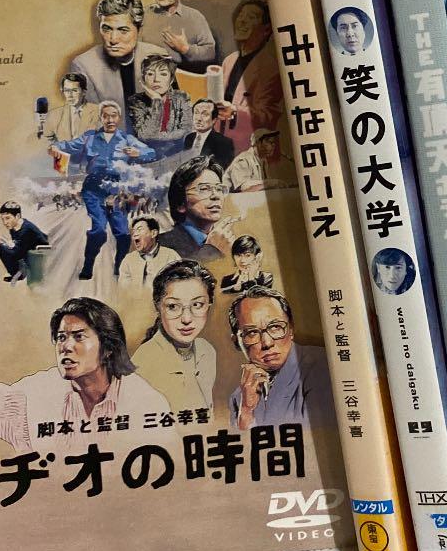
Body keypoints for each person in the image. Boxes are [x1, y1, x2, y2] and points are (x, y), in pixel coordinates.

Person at [0, 297, 171, 455]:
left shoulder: (146, 403)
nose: (66, 346)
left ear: (108, 347)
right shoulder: (43, 390)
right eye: (61, 337)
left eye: (78, 337)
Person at [50, 100, 156, 279]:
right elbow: (67, 145)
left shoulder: (127, 139)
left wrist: (138, 153)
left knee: (123, 234)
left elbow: (151, 152)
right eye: (106, 116)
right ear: (101, 118)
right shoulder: (90, 137)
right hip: (94, 188)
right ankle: (88, 265)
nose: (110, 120)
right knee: (99, 230)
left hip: (117, 191)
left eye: (113, 116)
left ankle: (119, 267)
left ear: (119, 117)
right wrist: (54, 147)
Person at [227, 286, 334, 430]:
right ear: (236, 341)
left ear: (291, 329)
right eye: (252, 333)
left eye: (275, 327)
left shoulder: (323, 365)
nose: (267, 343)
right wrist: (246, 411)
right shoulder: (239, 398)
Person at [130, 260, 218, 412]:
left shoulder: (207, 351)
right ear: (158, 307)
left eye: (197, 305)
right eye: (173, 306)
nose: (186, 319)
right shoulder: (142, 363)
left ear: (209, 304)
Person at [68, 0, 168, 119]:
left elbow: (173, 115)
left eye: (123, 30)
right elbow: (91, 121)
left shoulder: (159, 56)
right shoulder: (83, 65)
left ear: (139, 29)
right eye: (107, 29)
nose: (113, 39)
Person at [215, 0, 282, 154]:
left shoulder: (270, 67)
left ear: (266, 30)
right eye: (241, 15)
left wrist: (235, 112)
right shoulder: (230, 60)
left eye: (251, 17)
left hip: (245, 146)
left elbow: (268, 116)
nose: (242, 21)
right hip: (219, 139)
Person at [158, 156, 238, 263]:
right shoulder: (160, 246)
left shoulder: (228, 242)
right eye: (204, 189)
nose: (216, 196)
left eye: (219, 189)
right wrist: (211, 250)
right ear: (181, 204)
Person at [139, 0, 217, 72]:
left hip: (183, 77)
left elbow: (210, 53)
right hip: (147, 75)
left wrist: (185, 49)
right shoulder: (143, 15)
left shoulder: (194, 17)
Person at [126, 53, 193, 157]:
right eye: (150, 74)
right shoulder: (135, 101)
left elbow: (187, 131)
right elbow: (145, 136)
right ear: (143, 79)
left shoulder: (181, 97)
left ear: (171, 79)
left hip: (177, 153)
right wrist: (156, 100)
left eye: (163, 74)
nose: (156, 79)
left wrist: (158, 136)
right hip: (146, 154)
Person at [0, 201, 48, 283]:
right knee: (3, 248)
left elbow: (17, 251)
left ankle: (18, 273)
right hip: (28, 251)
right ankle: (17, 273)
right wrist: (1, 239)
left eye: (8, 218)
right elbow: (16, 244)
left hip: (40, 253)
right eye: (3, 219)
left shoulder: (26, 229)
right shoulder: (15, 227)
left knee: (3, 248)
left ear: (17, 216)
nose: (5, 222)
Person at [226, 127, 297, 192]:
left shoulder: (263, 161)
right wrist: (271, 183)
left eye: (273, 142)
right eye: (269, 141)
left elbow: (264, 186)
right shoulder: (244, 160)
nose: (273, 145)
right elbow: (245, 189)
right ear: (258, 143)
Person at [117, 217, 179, 290]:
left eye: (139, 229)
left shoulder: (171, 256)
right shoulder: (128, 260)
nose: (135, 234)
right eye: (133, 231)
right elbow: (123, 288)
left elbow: (179, 285)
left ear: (153, 233)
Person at [45, 72, 101, 143]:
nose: (70, 95)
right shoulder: (54, 115)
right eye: (67, 90)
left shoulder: (99, 112)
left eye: (74, 90)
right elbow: (46, 141)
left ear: (84, 92)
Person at [182, 98, 235, 170]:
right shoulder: (189, 138)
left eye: (205, 114)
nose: (199, 119)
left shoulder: (224, 142)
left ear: (214, 120)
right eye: (196, 113)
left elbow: (221, 171)